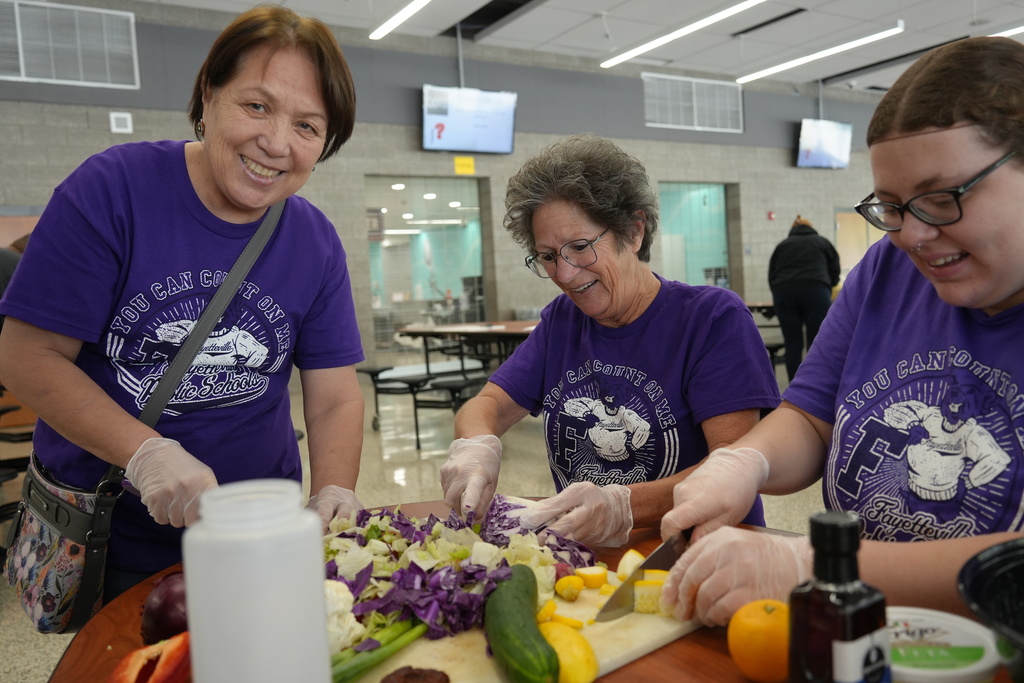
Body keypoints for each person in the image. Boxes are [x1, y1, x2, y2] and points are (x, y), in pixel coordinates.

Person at [0, 6, 365, 601]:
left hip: (257, 533)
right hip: (115, 541)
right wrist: (144, 453)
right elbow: (26, 356)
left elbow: (335, 395)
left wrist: (334, 491)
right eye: (257, 105)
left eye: (307, 126)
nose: (275, 143)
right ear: (208, 93)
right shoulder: (113, 190)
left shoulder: (314, 239)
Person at [659, 36, 1024, 627]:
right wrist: (744, 461)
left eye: (940, 198)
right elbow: (810, 417)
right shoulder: (888, 269)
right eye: (891, 206)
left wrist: (823, 568)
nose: (912, 234)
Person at [439, 134, 781, 548]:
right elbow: (488, 404)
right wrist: (476, 447)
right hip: (589, 562)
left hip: (700, 553)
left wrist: (624, 505)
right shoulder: (563, 321)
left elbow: (734, 466)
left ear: (633, 232)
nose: (564, 275)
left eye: (580, 247)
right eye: (547, 256)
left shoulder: (711, 320)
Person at [767, 215, 840, 380]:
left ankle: (794, 388)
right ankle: (815, 384)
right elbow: (835, 268)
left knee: (792, 343)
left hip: (784, 293)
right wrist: (828, 285)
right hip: (815, 291)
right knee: (816, 342)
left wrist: (779, 295)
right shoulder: (822, 242)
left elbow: (772, 275)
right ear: (811, 227)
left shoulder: (782, 246)